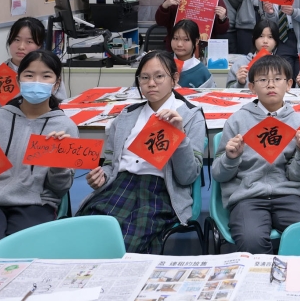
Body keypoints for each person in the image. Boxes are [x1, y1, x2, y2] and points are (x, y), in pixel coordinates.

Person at [78, 51, 207, 253]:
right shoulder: (128, 114)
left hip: (159, 189)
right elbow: (110, 163)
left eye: (159, 76)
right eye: (144, 77)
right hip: (119, 184)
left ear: (174, 78)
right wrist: (102, 177)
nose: (151, 83)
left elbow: (187, 176)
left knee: (128, 241)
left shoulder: (190, 115)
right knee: (89, 231)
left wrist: (179, 135)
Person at [213, 55, 300, 253]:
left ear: (289, 84)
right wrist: (231, 158)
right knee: (251, 240)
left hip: (288, 195)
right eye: (262, 80)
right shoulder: (237, 121)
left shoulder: (297, 122)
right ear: (252, 87)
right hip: (247, 197)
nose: (270, 85)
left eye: (277, 79)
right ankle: (263, 273)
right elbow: (218, 174)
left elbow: (298, 177)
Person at [0, 50, 77, 241]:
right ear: (18, 80)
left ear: (56, 83)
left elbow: (60, 189)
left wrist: (59, 165)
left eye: (46, 76)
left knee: (21, 248)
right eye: (29, 75)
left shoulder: (65, 127)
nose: (36, 82)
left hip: (36, 203)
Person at [2, 17, 68, 101]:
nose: (21, 47)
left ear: (39, 45)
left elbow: (61, 102)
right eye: (16, 40)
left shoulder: (48, 70)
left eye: (29, 42)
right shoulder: (0, 74)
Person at [227, 18, 279, 89]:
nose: (265, 41)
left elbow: (286, 89)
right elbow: (228, 89)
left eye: (270, 37)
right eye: (261, 36)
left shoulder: (281, 66)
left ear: (276, 41)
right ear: (254, 39)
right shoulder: (240, 65)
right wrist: (240, 83)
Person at [171, 19, 215, 88]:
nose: (179, 44)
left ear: (196, 41)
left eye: (186, 39)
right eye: (175, 38)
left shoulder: (202, 72)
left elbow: (210, 93)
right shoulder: (162, 63)